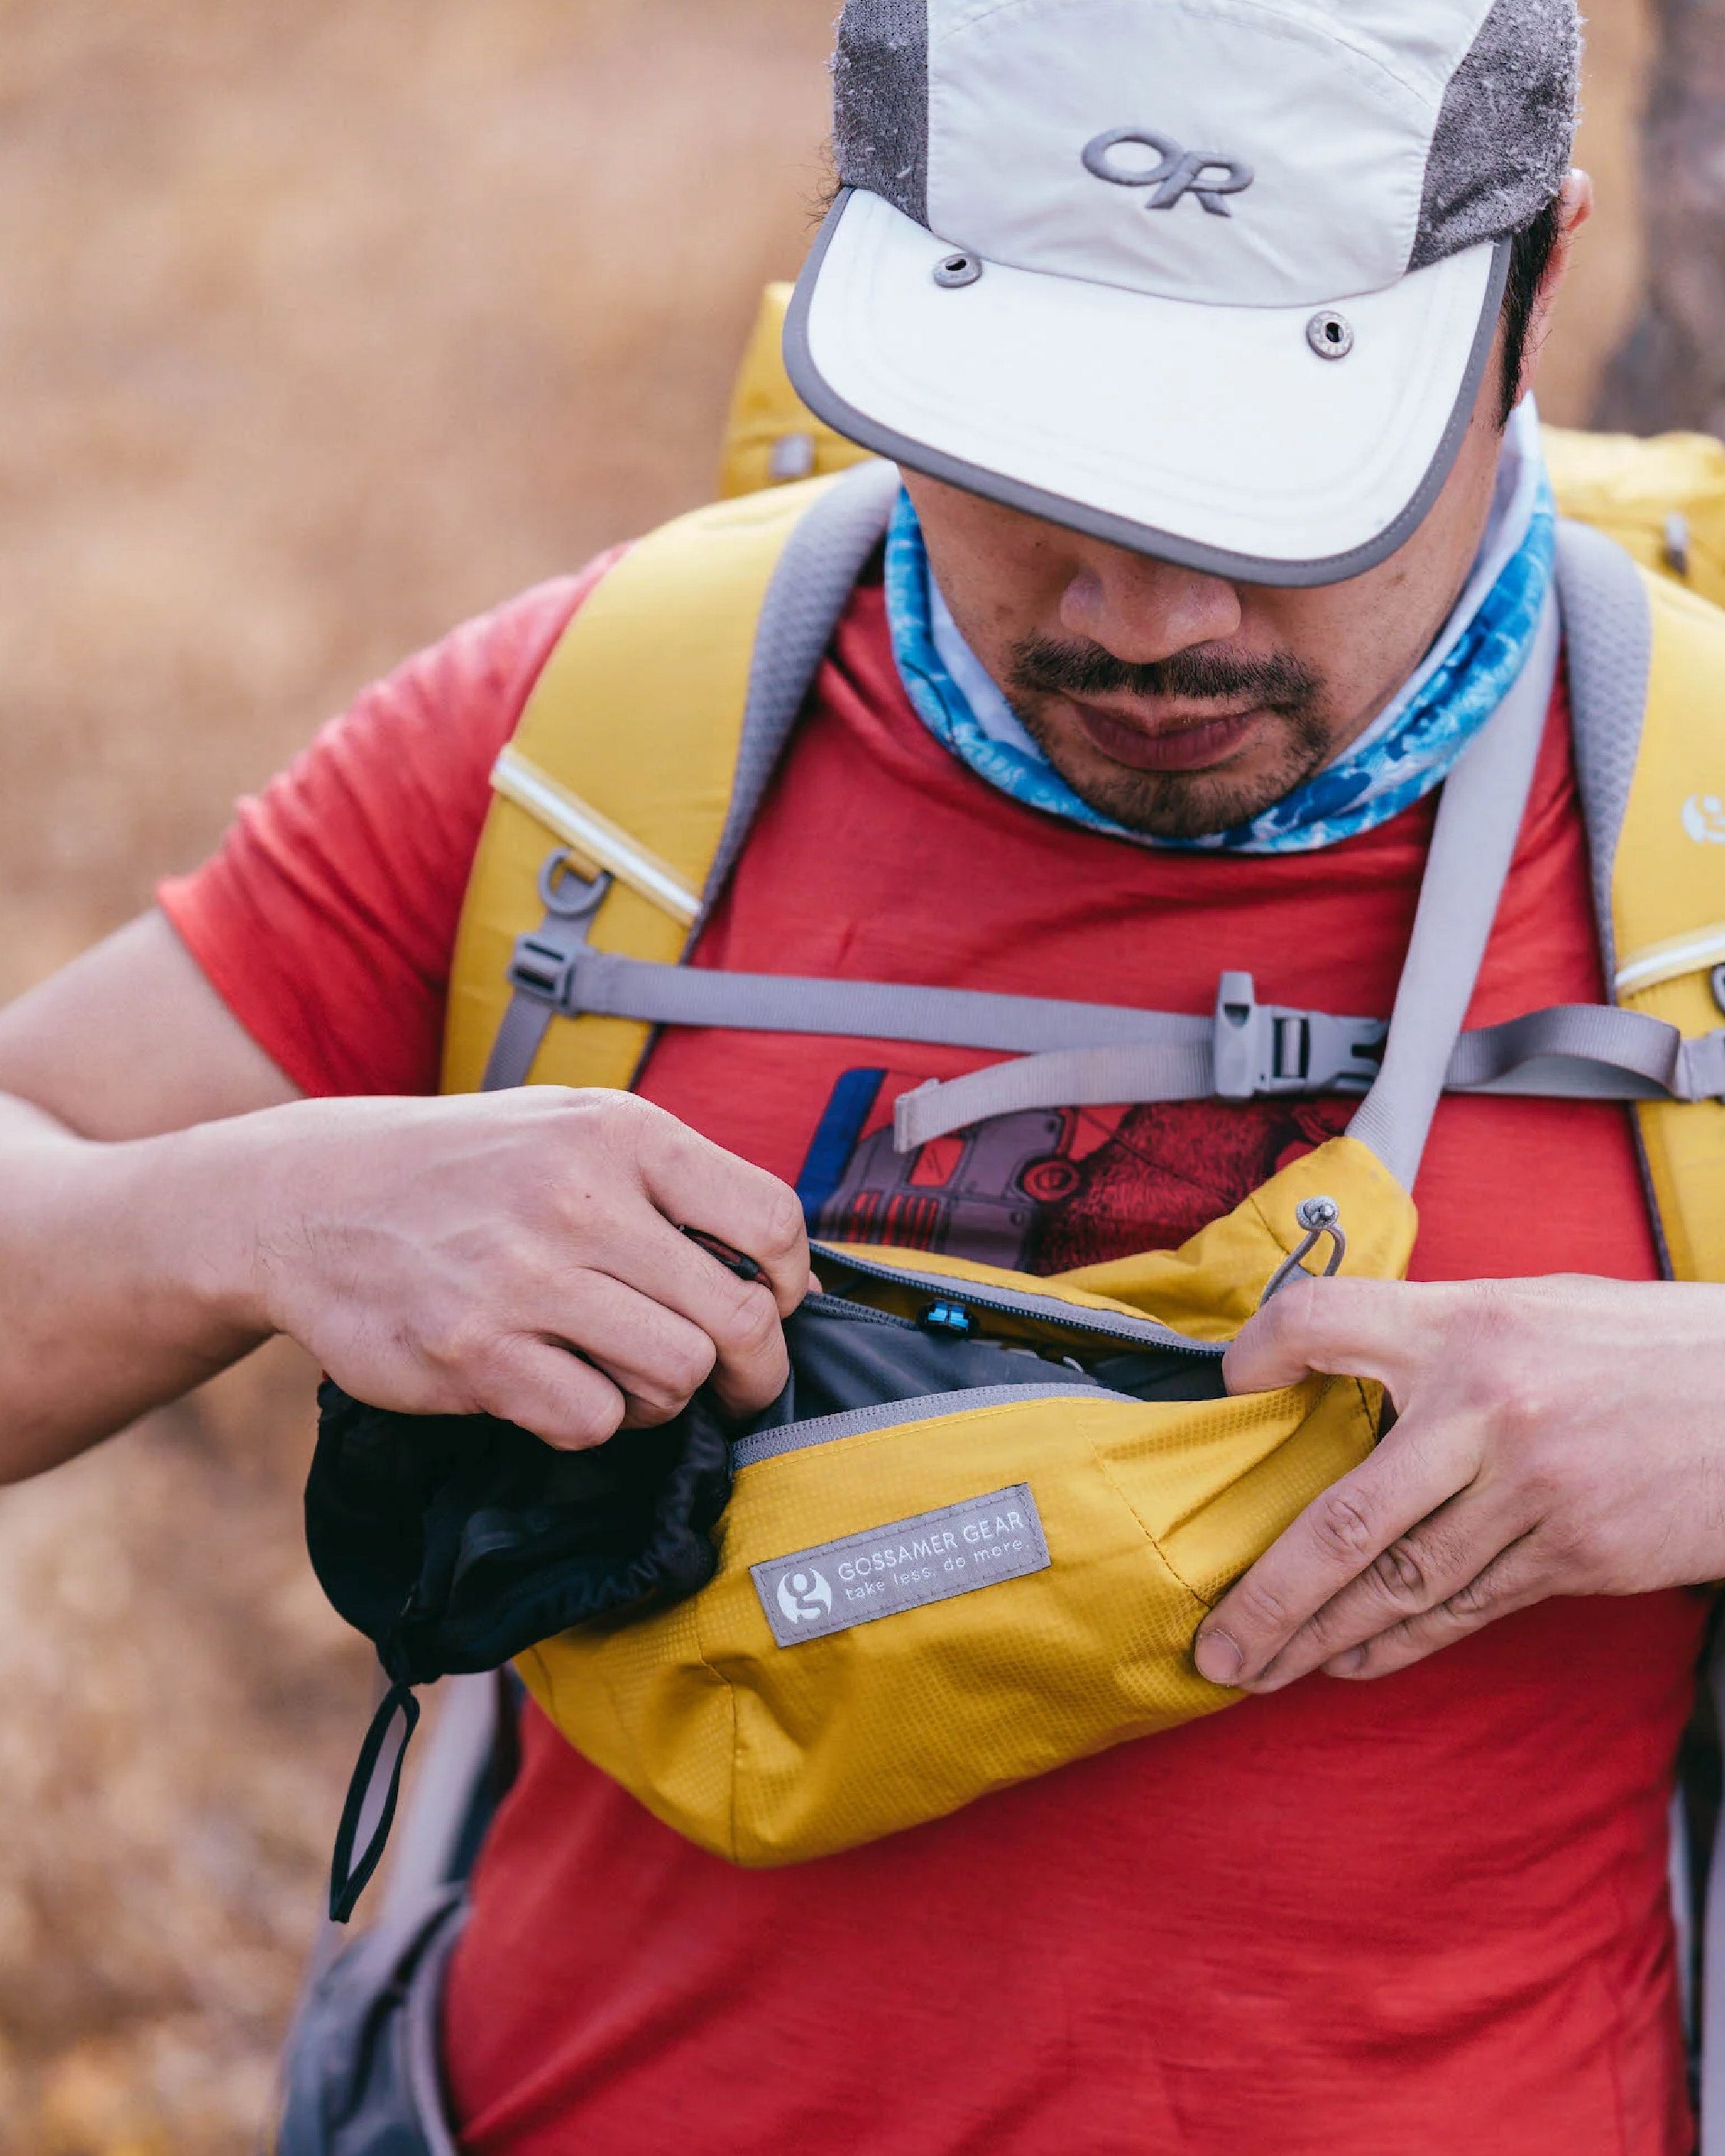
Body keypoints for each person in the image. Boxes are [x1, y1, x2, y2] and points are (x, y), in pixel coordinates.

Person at [0, 0, 1717, 2148]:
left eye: (1274, 496)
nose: (1151, 616)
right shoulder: (603, 741)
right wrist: (241, 1212)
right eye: (1032, 477)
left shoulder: (1692, 824)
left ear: (1532, 281)